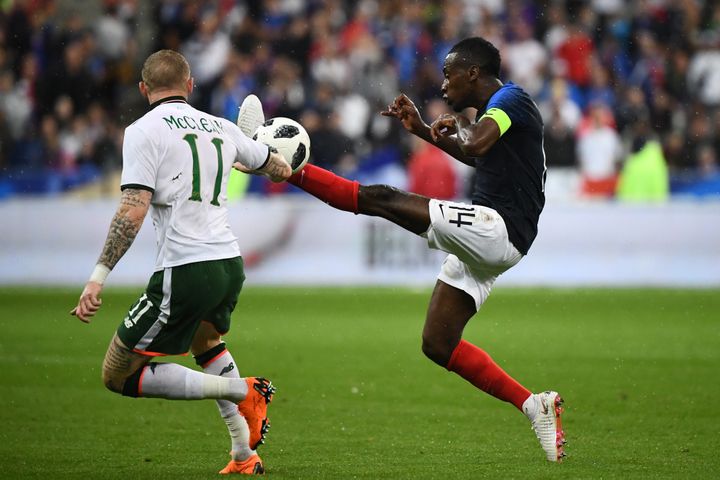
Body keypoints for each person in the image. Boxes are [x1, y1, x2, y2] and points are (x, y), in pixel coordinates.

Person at [243, 37, 566, 462]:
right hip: (500, 239)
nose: (443, 84)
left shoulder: (511, 99)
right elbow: (477, 154)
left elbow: (475, 143)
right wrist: (421, 131)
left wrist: (456, 125)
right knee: (437, 342)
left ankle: (277, 164)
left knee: (382, 198)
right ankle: (533, 405)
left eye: (449, 75)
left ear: (474, 73)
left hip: (497, 229)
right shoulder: (496, 113)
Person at [70, 50, 292, 475]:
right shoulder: (221, 127)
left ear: (143, 89)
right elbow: (277, 168)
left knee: (117, 374)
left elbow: (132, 210)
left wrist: (98, 277)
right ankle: (244, 455)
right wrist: (262, 149)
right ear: (190, 86)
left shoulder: (142, 130)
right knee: (206, 344)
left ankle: (242, 391)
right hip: (228, 263)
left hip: (186, 267)